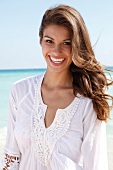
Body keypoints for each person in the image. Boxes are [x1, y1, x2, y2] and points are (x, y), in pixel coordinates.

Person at [1, 4, 113, 170]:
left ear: (76, 46)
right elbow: (11, 157)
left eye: (66, 43)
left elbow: (96, 165)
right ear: (40, 41)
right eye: (49, 41)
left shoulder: (88, 101)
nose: (56, 51)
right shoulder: (20, 91)